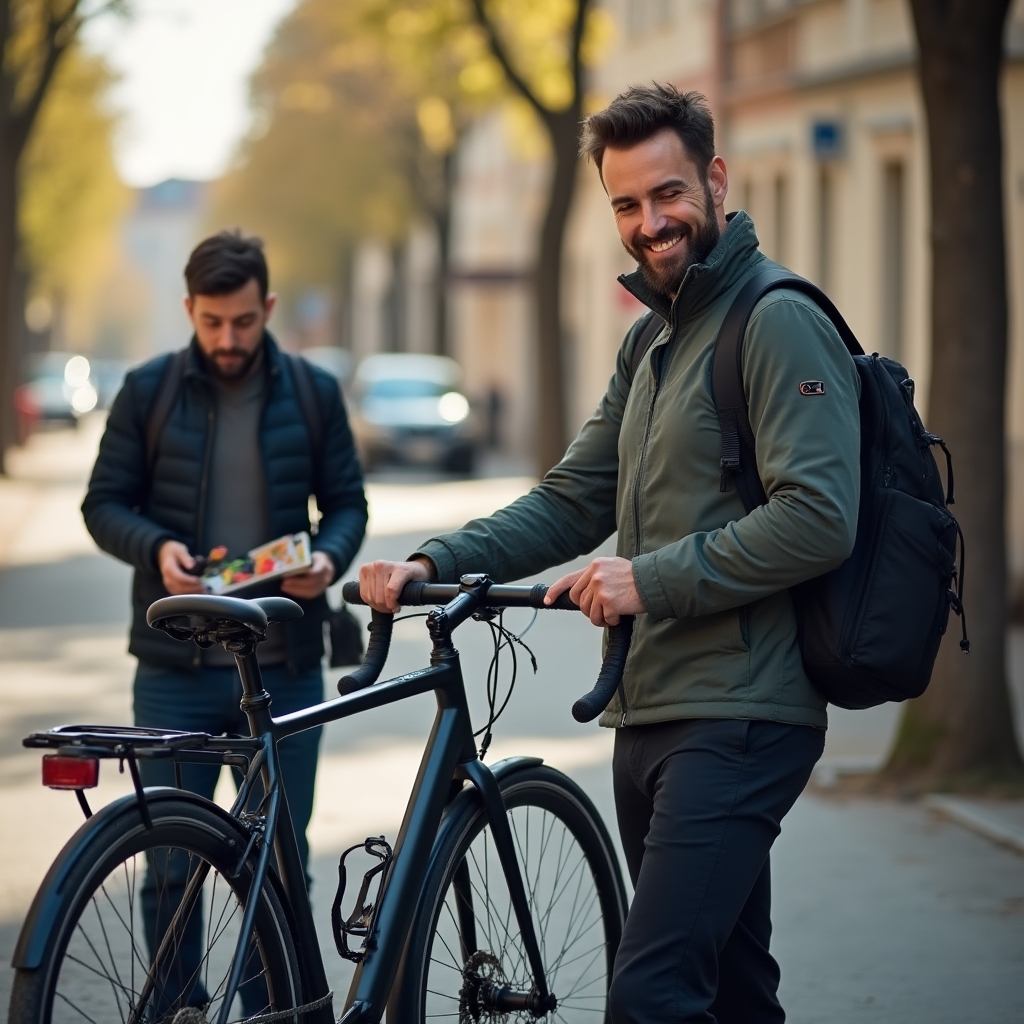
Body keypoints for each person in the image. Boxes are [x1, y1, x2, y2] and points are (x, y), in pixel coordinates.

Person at [358, 85, 861, 1024]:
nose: (649, 224)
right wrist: (433, 560)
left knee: (652, 993)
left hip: (743, 714)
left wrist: (649, 579)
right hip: (651, 710)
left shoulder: (775, 317)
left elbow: (820, 516)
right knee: (731, 993)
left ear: (716, 180)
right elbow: (571, 498)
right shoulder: (651, 342)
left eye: (667, 195)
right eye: (626, 205)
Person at [83, 230, 367, 1011]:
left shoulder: (311, 391)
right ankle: (179, 1008)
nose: (228, 339)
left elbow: (347, 504)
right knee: (170, 862)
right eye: (212, 322)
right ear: (189, 311)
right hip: (174, 669)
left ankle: (269, 1011)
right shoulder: (149, 391)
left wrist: (331, 560)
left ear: (267, 308)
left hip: (283, 667)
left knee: (277, 863)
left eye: (243, 321)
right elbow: (102, 504)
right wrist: (157, 548)